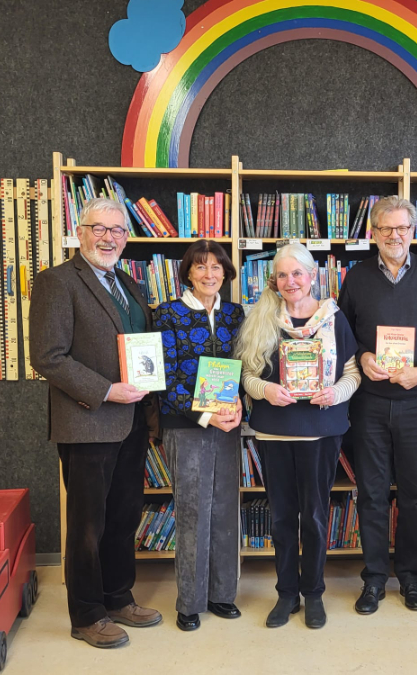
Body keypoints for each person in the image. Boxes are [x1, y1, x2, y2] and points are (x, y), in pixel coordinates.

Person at [30, 197, 161, 649]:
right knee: (88, 524)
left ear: (126, 237)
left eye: (117, 230)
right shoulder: (57, 281)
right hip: (87, 422)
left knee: (124, 515)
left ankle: (118, 597)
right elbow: (48, 356)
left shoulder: (128, 284)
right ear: (80, 232)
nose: (108, 238)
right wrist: (106, 390)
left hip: (132, 421)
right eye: (99, 228)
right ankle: (87, 615)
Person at [337, 196, 417, 615]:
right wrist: (363, 357)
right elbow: (343, 333)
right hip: (369, 403)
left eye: (402, 228)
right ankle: (373, 579)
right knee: (371, 494)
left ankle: (410, 576)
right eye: (386, 228)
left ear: (412, 231)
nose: (394, 235)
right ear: (373, 233)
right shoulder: (357, 276)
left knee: (412, 496)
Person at [237, 243, 360, 629]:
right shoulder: (261, 318)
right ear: (274, 280)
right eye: (282, 275)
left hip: (320, 433)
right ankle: (287, 593)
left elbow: (353, 373)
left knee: (316, 518)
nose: (290, 281)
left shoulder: (333, 318)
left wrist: (336, 393)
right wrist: (265, 390)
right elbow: (246, 375)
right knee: (282, 519)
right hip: (274, 432)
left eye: (297, 273)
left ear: (312, 276)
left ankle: (314, 593)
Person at [152, 240, 244, 632]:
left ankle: (222, 594)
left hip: (228, 425)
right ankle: (190, 603)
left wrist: (239, 406)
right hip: (185, 425)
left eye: (216, 267)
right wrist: (205, 415)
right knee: (192, 511)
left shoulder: (235, 314)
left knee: (224, 510)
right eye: (201, 266)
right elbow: (164, 378)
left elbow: (246, 366)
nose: (209, 274)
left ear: (226, 273)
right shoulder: (167, 314)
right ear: (188, 272)